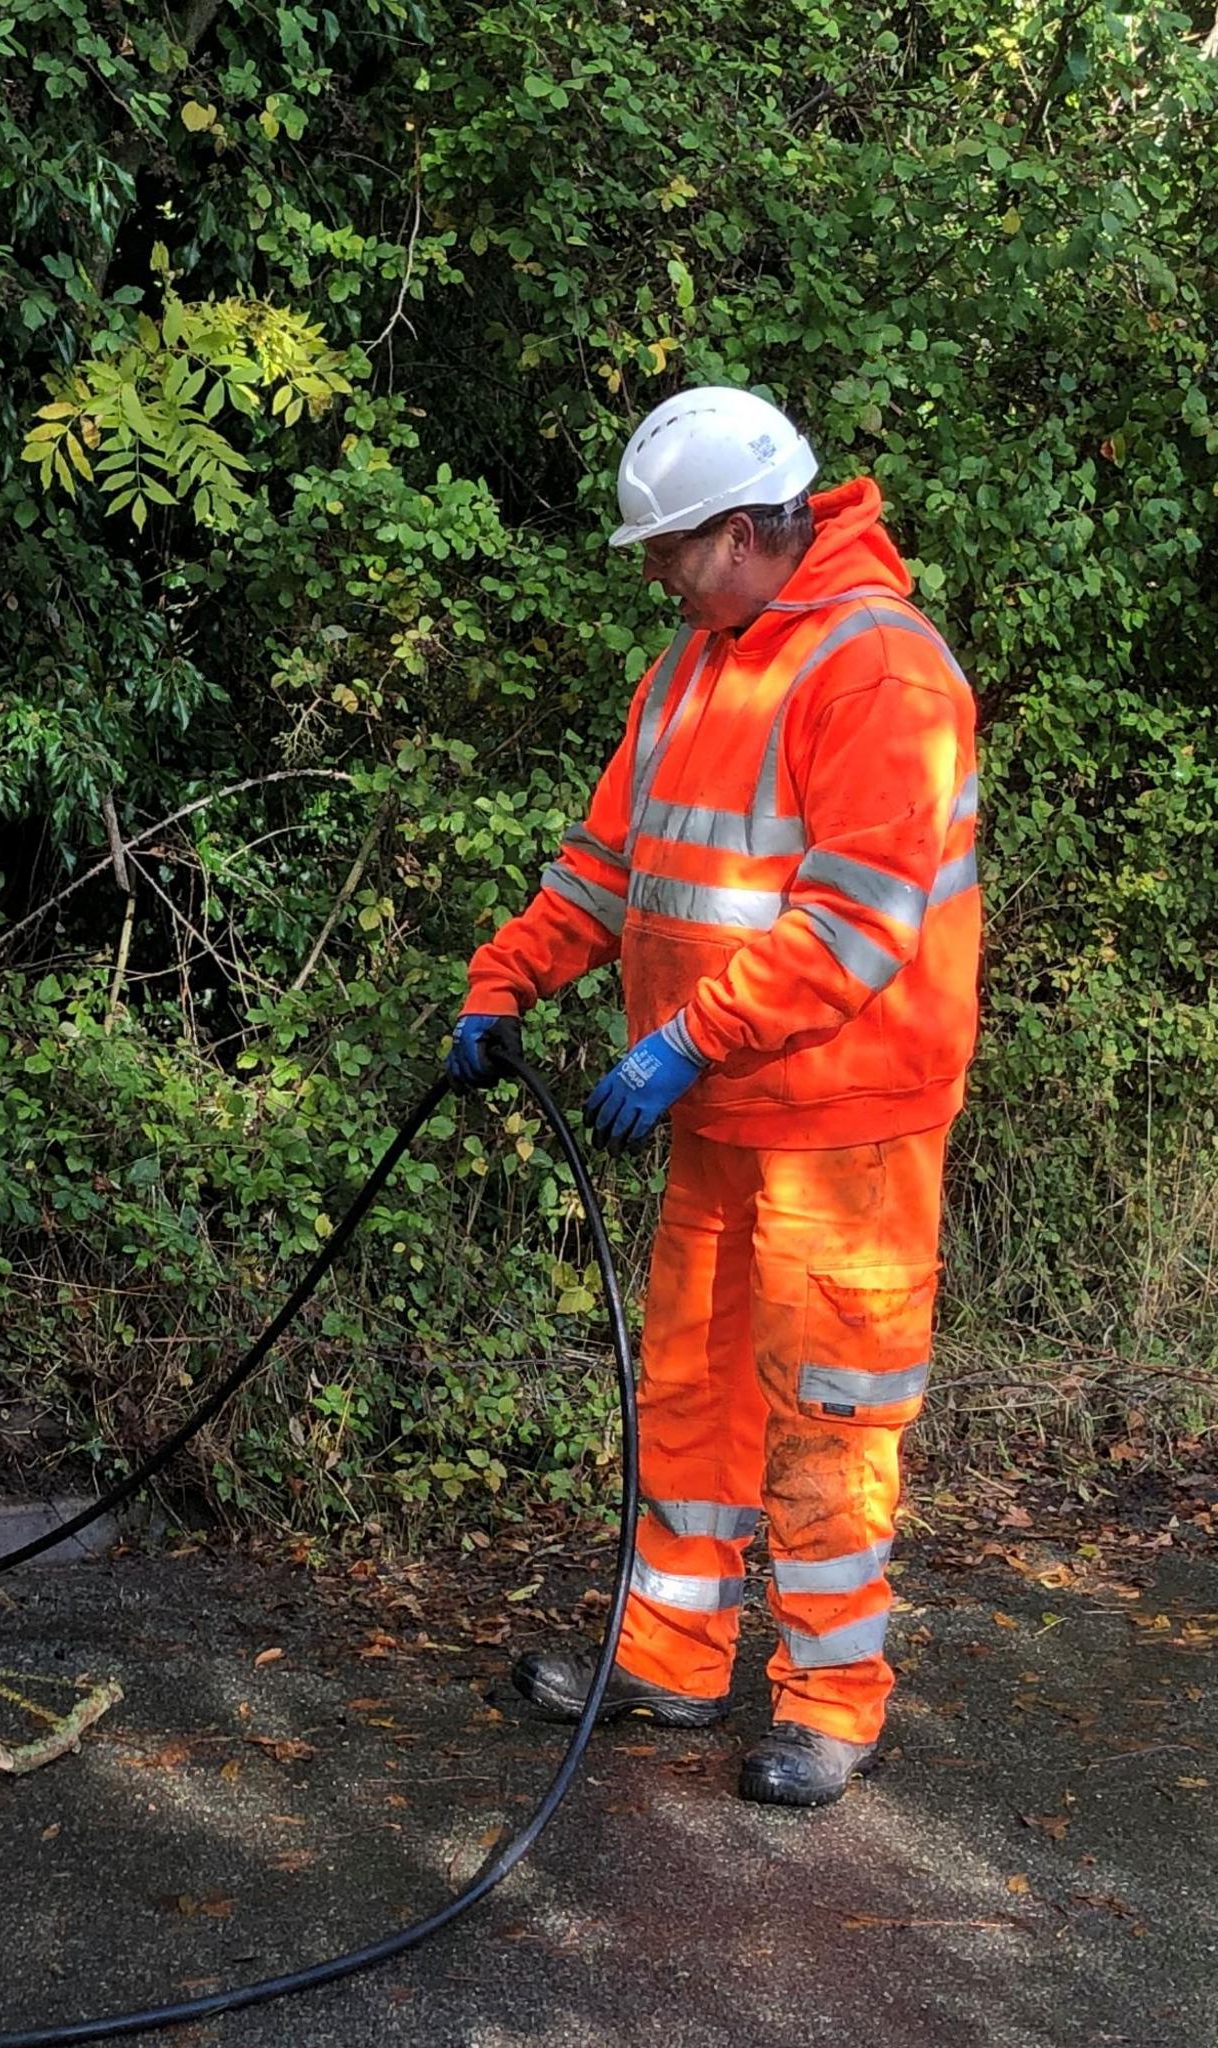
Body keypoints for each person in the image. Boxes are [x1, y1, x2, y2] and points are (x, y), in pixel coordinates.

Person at [449, 388, 980, 1806]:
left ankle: (828, 1706)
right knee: (689, 1391)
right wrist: (507, 977)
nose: (654, 574)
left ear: (746, 534)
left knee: (828, 1419)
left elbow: (857, 928)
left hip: (846, 1129)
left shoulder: (881, 676)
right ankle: (674, 1661)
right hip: (725, 1118)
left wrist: (686, 1039)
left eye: (671, 549)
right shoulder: (697, 665)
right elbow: (612, 866)